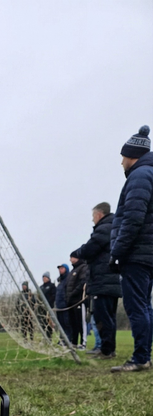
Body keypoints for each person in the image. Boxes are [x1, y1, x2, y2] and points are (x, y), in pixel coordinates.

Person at [109, 125, 153, 373]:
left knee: (137, 307)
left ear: (132, 155)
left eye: (123, 157)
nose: (122, 162)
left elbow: (133, 219)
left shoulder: (140, 176)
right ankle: (144, 356)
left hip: (137, 254)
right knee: (145, 306)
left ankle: (140, 358)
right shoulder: (148, 174)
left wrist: (117, 252)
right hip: (146, 254)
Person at [70, 202, 120, 359]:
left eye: (93, 216)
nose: (92, 220)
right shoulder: (113, 226)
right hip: (110, 281)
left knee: (102, 317)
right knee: (109, 317)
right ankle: (109, 348)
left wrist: (77, 252)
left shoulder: (104, 229)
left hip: (103, 281)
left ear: (99, 214)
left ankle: (106, 350)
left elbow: (90, 248)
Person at [66, 257, 88, 348]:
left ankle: (83, 342)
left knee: (81, 322)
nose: (70, 259)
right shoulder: (72, 271)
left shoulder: (83, 268)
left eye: (72, 257)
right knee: (73, 323)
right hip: (71, 301)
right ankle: (74, 342)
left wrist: (74, 293)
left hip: (79, 300)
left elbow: (82, 283)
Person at [55, 264, 72, 343]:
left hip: (65, 306)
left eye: (62, 268)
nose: (60, 270)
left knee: (67, 323)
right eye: (59, 268)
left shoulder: (68, 279)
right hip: (59, 306)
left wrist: (66, 302)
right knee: (61, 324)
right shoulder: (60, 281)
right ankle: (61, 339)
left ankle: (68, 339)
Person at [38, 271, 56, 339]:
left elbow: (54, 296)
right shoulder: (41, 287)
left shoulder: (52, 286)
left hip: (49, 307)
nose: (44, 279)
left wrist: (48, 303)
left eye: (45, 277)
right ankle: (44, 336)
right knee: (43, 322)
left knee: (49, 322)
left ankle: (49, 337)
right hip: (41, 308)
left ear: (48, 278)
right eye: (43, 277)